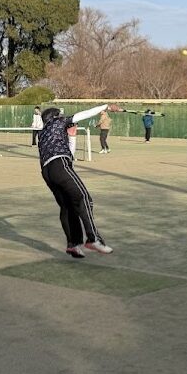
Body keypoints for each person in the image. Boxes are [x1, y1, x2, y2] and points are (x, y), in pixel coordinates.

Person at [37, 104, 114, 258]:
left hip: (47, 172)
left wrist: (71, 137)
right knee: (84, 198)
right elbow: (82, 114)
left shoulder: (42, 134)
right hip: (59, 165)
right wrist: (105, 106)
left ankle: (73, 244)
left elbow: (69, 156)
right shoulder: (57, 122)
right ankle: (93, 239)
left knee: (67, 207)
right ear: (54, 117)